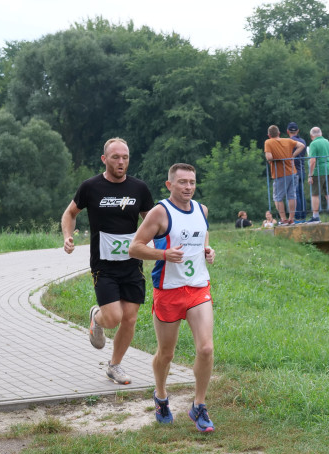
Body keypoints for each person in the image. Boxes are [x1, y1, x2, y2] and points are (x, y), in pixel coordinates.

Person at [129, 163, 216, 432]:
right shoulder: (160, 212)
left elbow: (202, 238)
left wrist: (208, 251)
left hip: (198, 288)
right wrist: (163, 255)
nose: (188, 187)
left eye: (192, 182)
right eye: (182, 182)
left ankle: (198, 406)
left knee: (206, 348)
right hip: (168, 290)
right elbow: (135, 248)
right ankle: (161, 395)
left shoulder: (202, 210)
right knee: (166, 354)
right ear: (170, 185)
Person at [61, 138, 154, 385]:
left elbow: (155, 221)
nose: (121, 161)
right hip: (104, 265)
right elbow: (70, 213)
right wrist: (68, 236)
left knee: (131, 317)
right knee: (113, 317)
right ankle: (97, 317)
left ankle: (115, 366)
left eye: (125, 157)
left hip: (132, 263)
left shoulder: (139, 189)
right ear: (105, 159)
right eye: (115, 157)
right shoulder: (91, 187)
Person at [264, 125, 304, 225]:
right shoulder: (288, 140)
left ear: (269, 135)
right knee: (292, 195)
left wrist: (274, 159)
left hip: (280, 173)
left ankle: (283, 219)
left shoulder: (268, 142)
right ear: (279, 133)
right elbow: (301, 146)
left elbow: (269, 157)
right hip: (293, 171)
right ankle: (291, 219)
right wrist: (292, 156)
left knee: (277, 197)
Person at [306, 126, 329, 223]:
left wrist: (310, 175)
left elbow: (312, 161)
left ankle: (315, 217)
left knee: (315, 194)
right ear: (321, 133)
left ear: (311, 135)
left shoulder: (313, 144)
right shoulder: (327, 142)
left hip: (318, 170)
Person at [286, 122, 307, 221]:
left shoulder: (288, 141)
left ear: (287, 131)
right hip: (302, 170)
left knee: (295, 194)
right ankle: (303, 215)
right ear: (298, 131)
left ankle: (297, 216)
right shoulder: (302, 141)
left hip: (293, 170)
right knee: (301, 193)